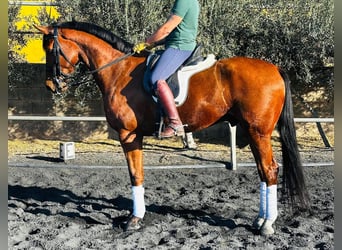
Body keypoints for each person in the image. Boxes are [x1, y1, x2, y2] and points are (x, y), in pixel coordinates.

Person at [133, 0, 200, 138]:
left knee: (156, 79)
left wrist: (147, 42)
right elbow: (177, 31)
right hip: (176, 44)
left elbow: (166, 29)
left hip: (180, 47)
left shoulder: (183, 1)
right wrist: (154, 43)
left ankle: (175, 123)